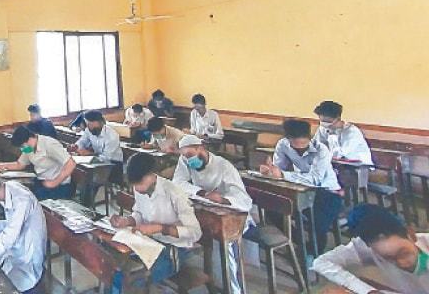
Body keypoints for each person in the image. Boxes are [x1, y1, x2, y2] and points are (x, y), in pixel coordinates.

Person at [172, 135, 252, 294]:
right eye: (184, 156)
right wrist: (201, 192)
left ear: (201, 148)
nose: (188, 160)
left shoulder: (224, 167)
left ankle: (235, 290)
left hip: (231, 218)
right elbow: (178, 182)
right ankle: (208, 282)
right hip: (206, 211)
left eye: (190, 155)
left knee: (227, 249)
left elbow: (244, 200)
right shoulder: (186, 161)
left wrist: (222, 199)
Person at [109, 153, 202, 286]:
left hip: (174, 249)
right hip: (150, 244)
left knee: (133, 282)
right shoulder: (140, 188)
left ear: (151, 175)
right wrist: (127, 221)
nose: (137, 189)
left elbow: (195, 232)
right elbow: (139, 213)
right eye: (134, 185)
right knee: (115, 273)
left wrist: (160, 228)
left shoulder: (174, 193)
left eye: (139, 183)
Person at [260, 118, 343, 254]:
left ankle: (315, 252)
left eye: (304, 144)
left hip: (327, 192)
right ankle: (301, 243)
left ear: (309, 138)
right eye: (295, 146)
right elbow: (278, 168)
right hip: (300, 190)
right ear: (288, 139)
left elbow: (315, 179)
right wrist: (270, 172)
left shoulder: (321, 149)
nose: (300, 149)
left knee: (317, 221)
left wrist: (282, 174)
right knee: (273, 209)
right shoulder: (283, 145)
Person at [314, 204, 429, 293]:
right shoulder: (370, 249)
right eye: (388, 259)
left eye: (403, 253)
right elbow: (321, 263)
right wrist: (367, 291)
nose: (401, 263)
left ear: (411, 235)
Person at [0, 125, 76, 200]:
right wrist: (2, 166)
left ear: (30, 138)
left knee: (33, 199)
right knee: (20, 193)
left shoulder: (49, 144)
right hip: (41, 182)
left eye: (22, 146)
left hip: (60, 185)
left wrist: (54, 182)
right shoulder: (28, 147)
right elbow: (20, 164)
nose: (22, 149)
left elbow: (71, 164)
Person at [313, 100, 373, 165]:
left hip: (359, 167)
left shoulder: (351, 132)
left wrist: (332, 135)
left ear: (338, 118)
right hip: (336, 165)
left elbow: (339, 155)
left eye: (328, 121)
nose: (325, 124)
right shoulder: (323, 128)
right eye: (322, 121)